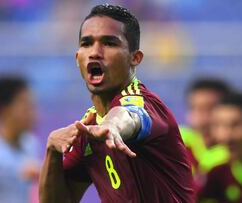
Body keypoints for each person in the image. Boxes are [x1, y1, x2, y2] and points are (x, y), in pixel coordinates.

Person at [39, 4, 194, 203]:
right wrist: (52, 150)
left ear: (135, 58)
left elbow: (130, 114)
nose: (95, 52)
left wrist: (112, 124)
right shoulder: (88, 130)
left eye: (109, 43)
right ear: (78, 58)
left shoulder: (146, 103)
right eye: (87, 43)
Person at [180, 78, 231, 187]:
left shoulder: (239, 152)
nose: (202, 117)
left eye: (210, 108)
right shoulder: (174, 143)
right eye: (196, 108)